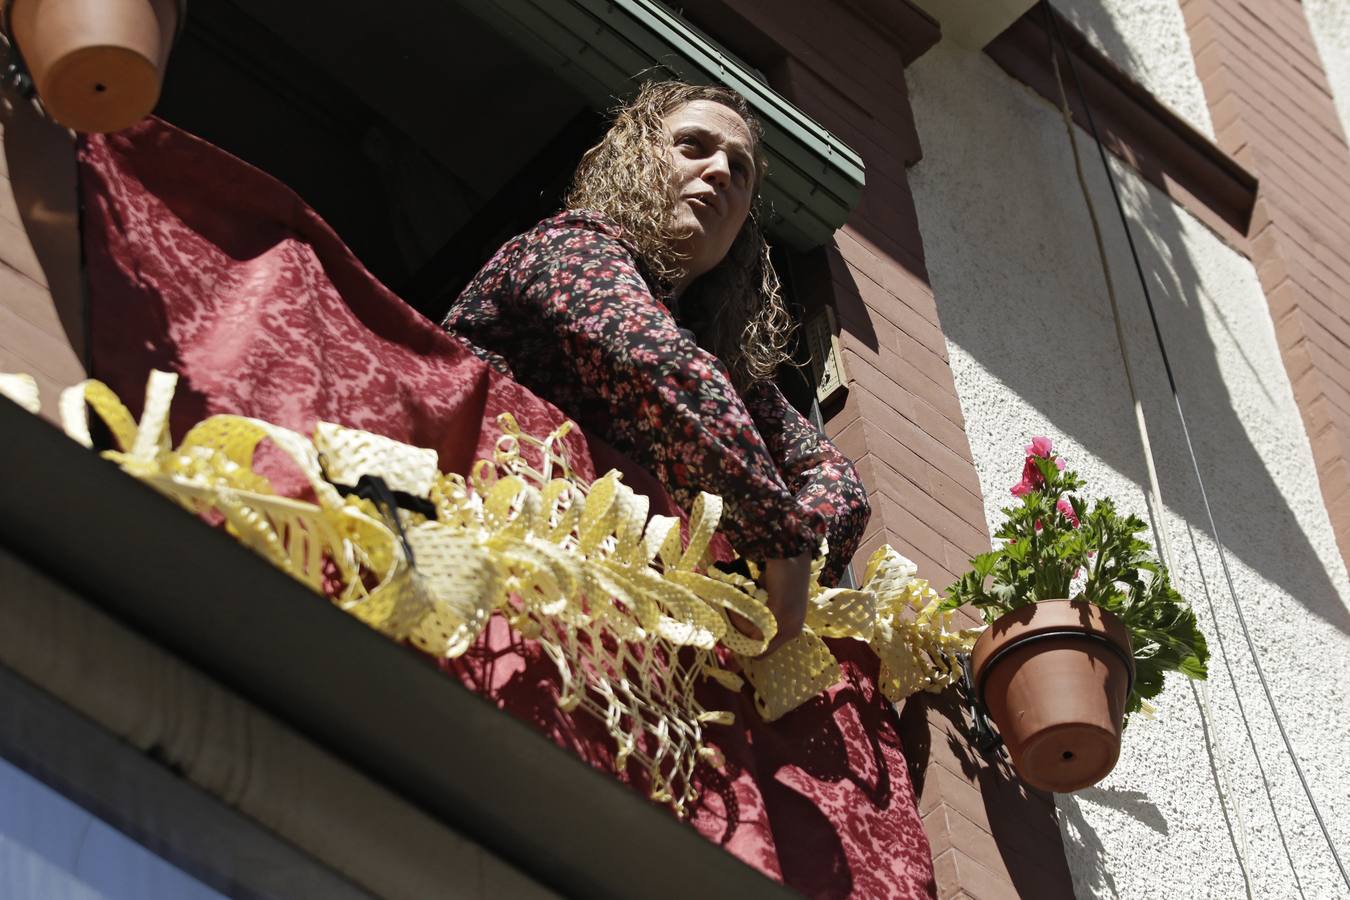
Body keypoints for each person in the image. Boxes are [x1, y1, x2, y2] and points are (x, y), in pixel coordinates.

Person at [442, 80, 870, 654]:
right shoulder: (569, 245)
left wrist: (764, 574)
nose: (719, 171)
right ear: (634, 162)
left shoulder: (727, 371)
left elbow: (836, 479)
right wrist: (774, 537)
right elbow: (656, 363)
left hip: (616, 632)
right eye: (693, 145)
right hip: (480, 568)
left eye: (740, 170)